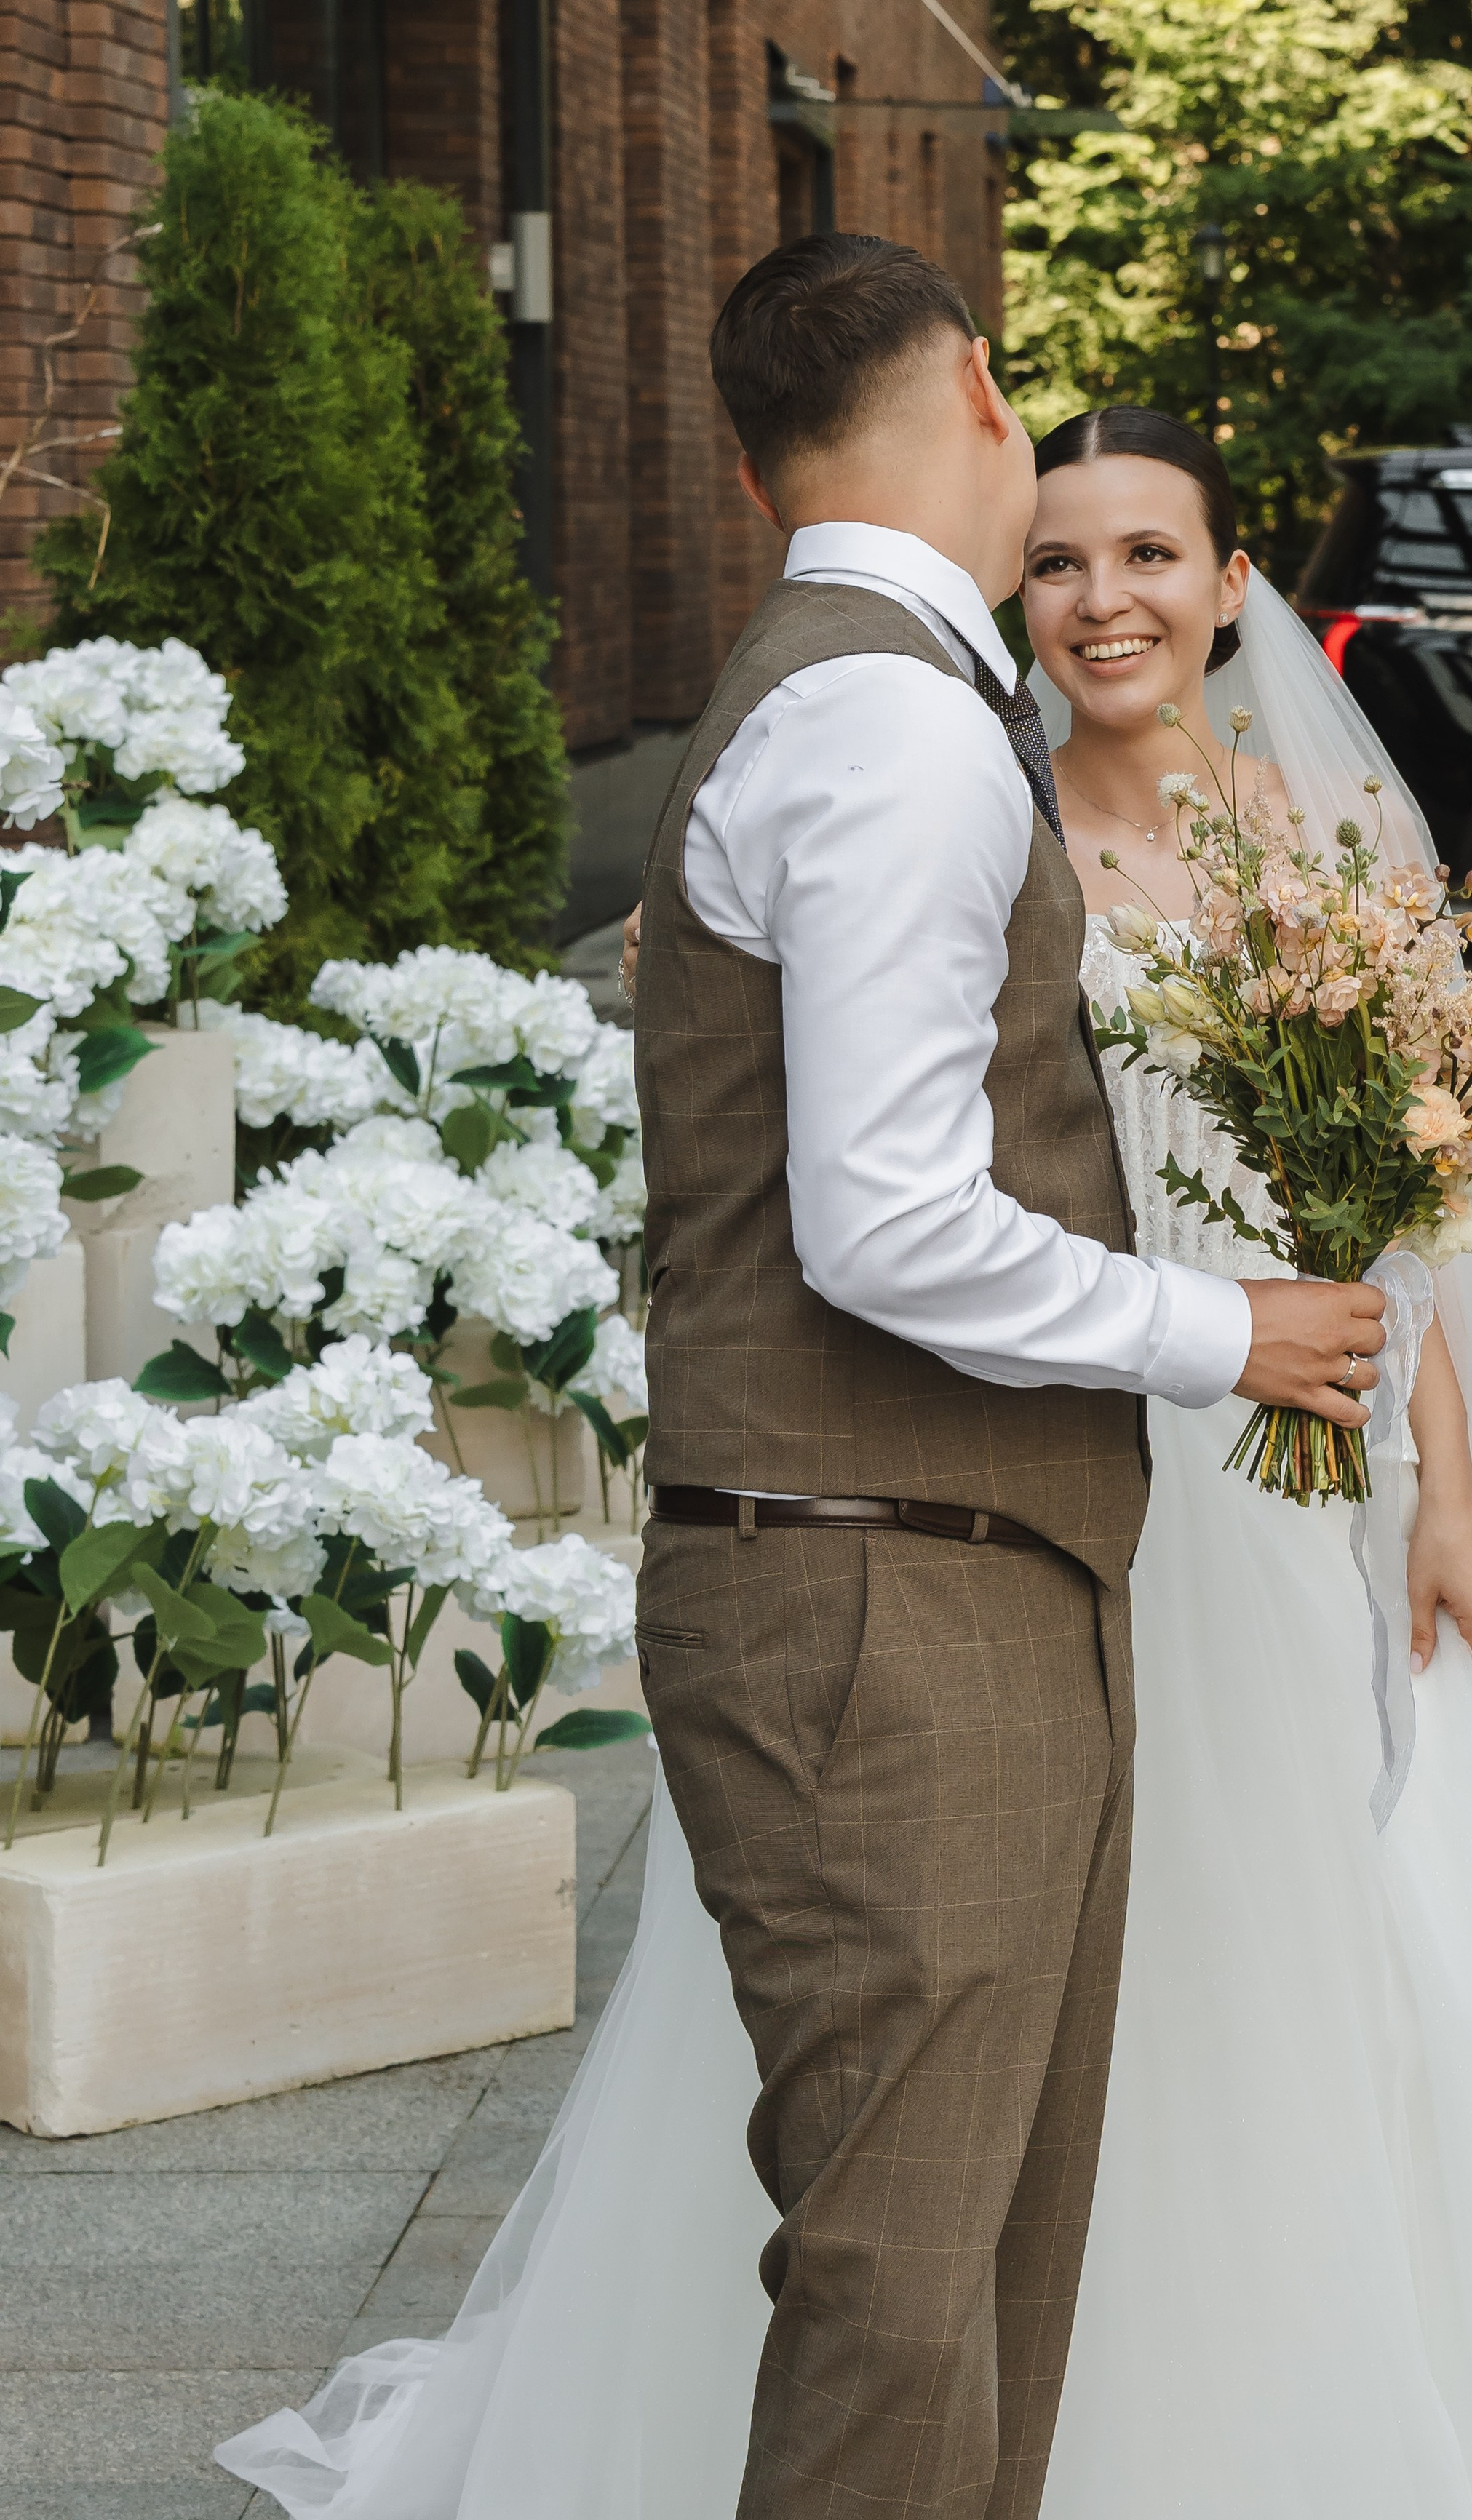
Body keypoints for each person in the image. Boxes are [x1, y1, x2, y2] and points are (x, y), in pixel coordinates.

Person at [216, 241, 1381, 2520]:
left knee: (977, 2295)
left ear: (752, 476)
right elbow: (886, 1222)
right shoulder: (886, 723)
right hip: (883, 1612)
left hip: (941, 1579)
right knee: (903, 2309)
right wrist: (1223, 1329)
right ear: (983, 386)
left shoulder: (870, 691)